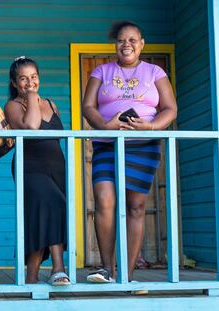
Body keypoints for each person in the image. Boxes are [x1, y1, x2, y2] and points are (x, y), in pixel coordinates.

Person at [82, 21, 177, 284]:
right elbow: (87, 106)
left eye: (132, 40)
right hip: (107, 143)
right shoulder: (101, 71)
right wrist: (104, 124)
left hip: (143, 144)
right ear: (115, 45)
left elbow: (170, 108)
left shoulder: (155, 72)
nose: (127, 45)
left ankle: (127, 274)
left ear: (142, 44)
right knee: (104, 201)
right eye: (122, 40)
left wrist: (152, 126)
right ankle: (106, 269)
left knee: (136, 206)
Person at [4, 57, 70, 286]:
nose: (30, 82)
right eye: (23, 78)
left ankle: (31, 277)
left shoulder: (52, 104)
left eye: (33, 77)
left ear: (39, 78)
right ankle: (59, 268)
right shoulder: (13, 106)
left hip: (56, 167)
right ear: (14, 82)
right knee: (53, 204)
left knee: (41, 217)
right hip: (29, 167)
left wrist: (36, 97)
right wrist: (31, 96)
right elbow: (32, 127)